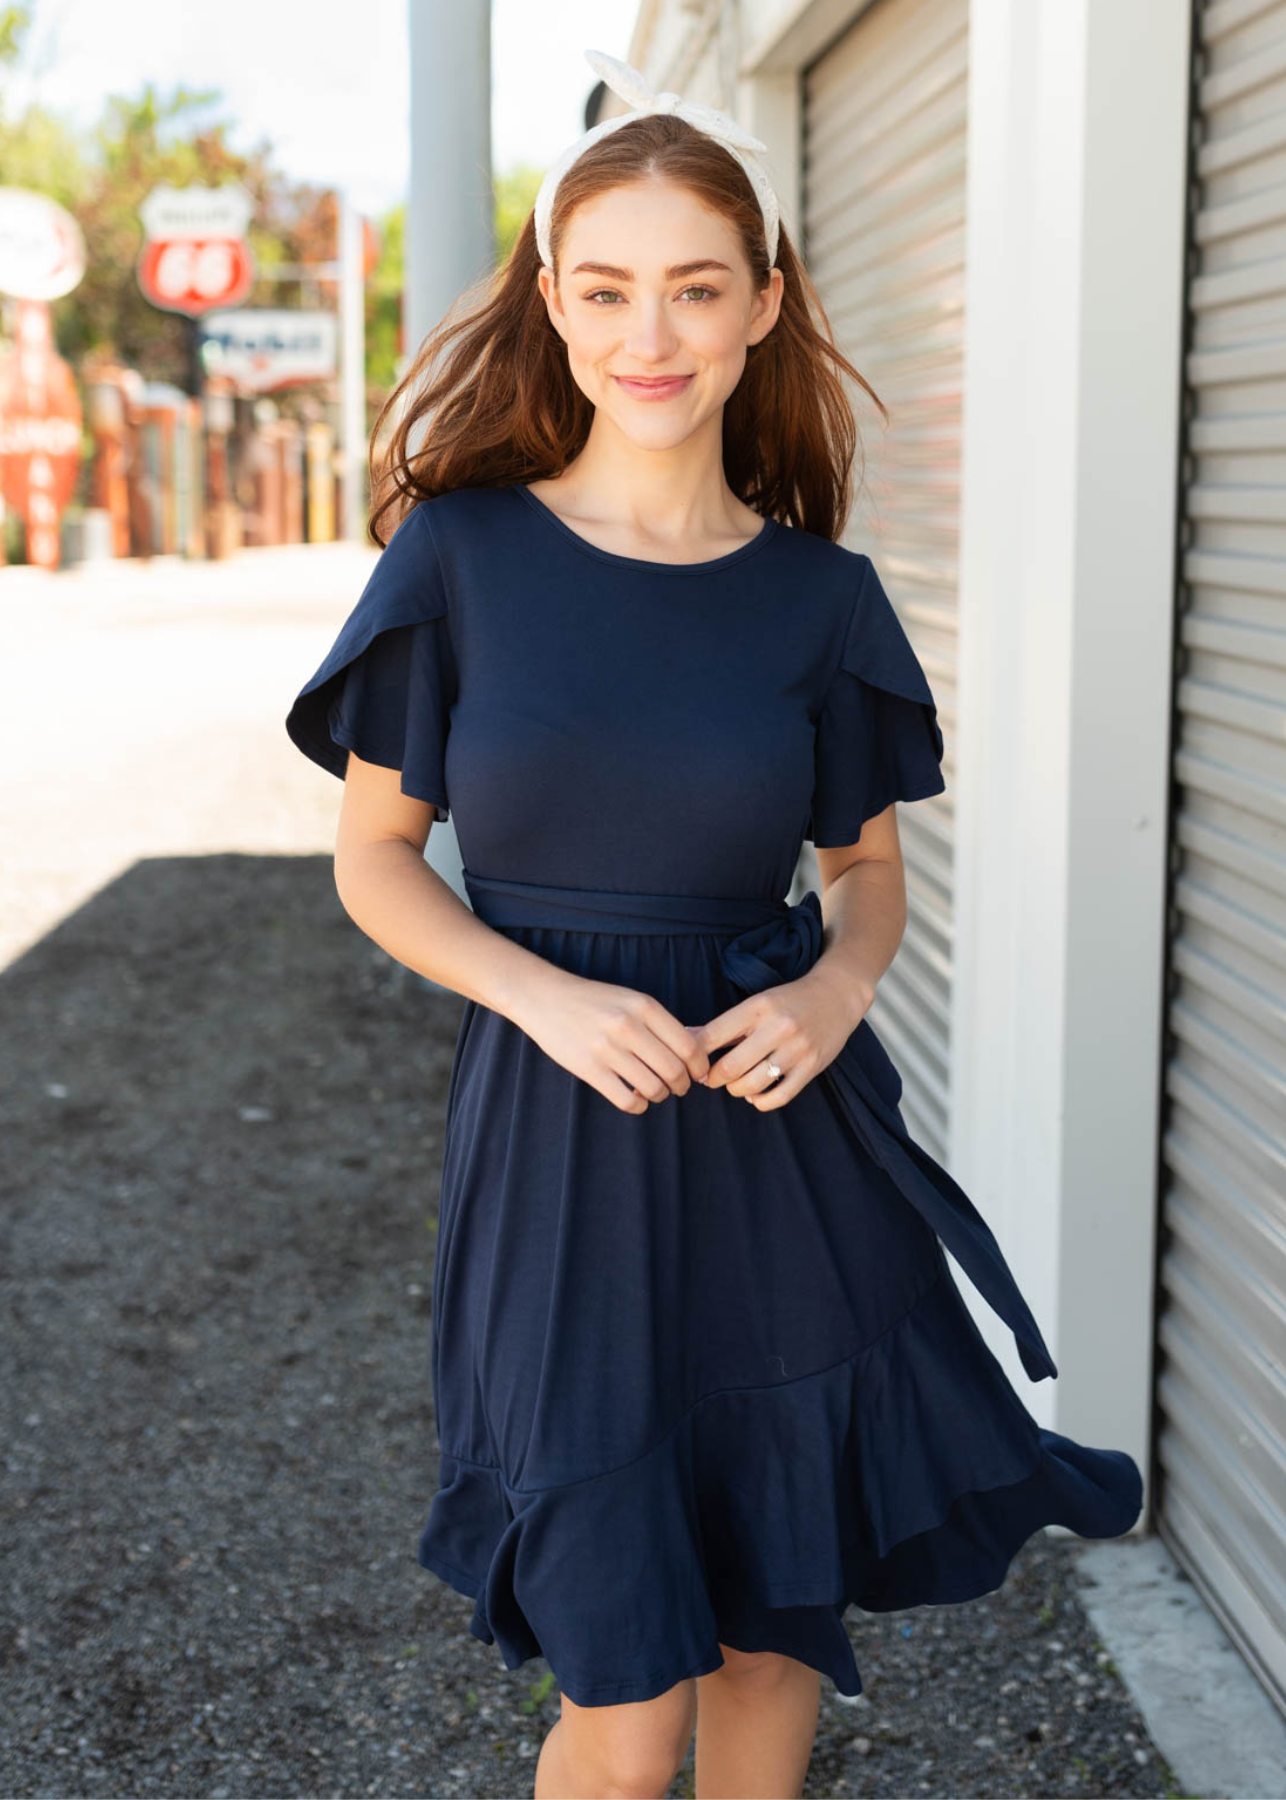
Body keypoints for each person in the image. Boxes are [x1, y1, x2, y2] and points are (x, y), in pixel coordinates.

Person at [285, 47, 1144, 1800]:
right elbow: (375, 861)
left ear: (763, 303)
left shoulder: (816, 596)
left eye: (694, 287)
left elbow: (867, 875)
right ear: (551, 299)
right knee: (620, 1678)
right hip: (560, 1137)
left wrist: (837, 993)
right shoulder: (458, 558)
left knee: (768, 1626)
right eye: (605, 289)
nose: (649, 333)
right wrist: (543, 998)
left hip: (775, 1135)